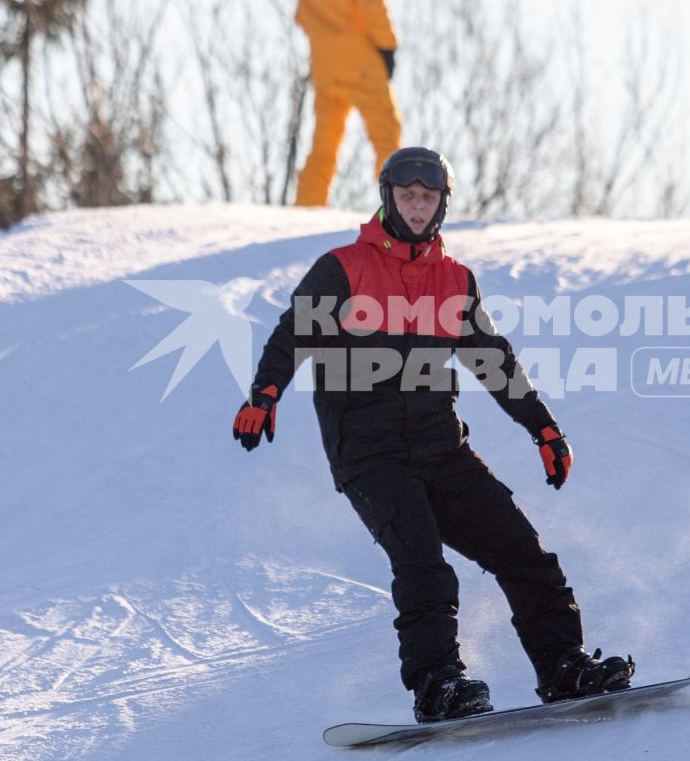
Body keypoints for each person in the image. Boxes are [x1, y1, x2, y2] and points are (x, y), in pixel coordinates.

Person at [232, 146, 634, 722]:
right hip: (368, 453)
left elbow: (494, 362)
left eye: (428, 197)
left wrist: (543, 428)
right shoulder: (343, 268)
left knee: (524, 553)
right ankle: (437, 684)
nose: (417, 207)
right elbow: (293, 332)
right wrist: (265, 393)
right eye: (407, 196)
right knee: (423, 565)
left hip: (442, 447)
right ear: (387, 198)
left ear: (442, 203)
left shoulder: (454, 280)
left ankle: (563, 665)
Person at [292, 0, 403, 208]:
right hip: (362, 62)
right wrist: (387, 47)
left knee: (324, 144)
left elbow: (302, 16)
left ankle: (307, 208)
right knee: (387, 134)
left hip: (325, 67)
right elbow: (372, 5)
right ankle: (399, 210)